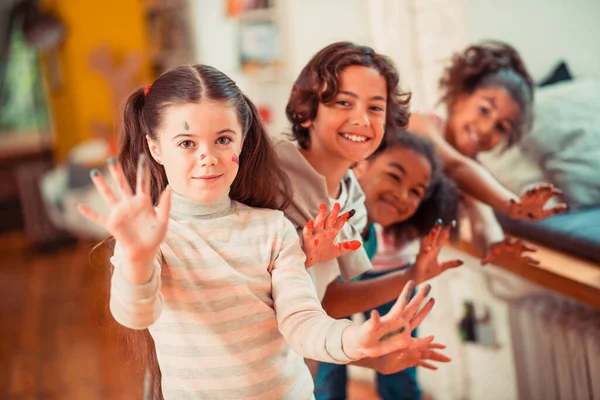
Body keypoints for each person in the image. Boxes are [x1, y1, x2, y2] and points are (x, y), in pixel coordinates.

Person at [77, 64, 436, 399]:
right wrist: (137, 258)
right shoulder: (146, 236)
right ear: (155, 147)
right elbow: (136, 315)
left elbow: (302, 321)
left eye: (223, 139)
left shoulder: (272, 227)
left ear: (243, 141)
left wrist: (356, 339)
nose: (208, 157)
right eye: (187, 143)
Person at [276, 42, 460, 377]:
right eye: (343, 103)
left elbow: (324, 301)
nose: (361, 119)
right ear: (306, 113)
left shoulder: (353, 204)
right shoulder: (270, 175)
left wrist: (411, 276)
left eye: (375, 108)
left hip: (295, 374)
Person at [315, 131, 460, 400]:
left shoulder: (367, 237)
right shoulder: (337, 222)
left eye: (417, 191)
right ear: (360, 165)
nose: (404, 195)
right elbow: (328, 306)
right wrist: (411, 275)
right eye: (394, 176)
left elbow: (331, 310)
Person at [408, 40, 565, 265]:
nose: (485, 128)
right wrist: (514, 206)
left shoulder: (472, 174)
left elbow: (484, 222)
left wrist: (496, 244)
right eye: (484, 110)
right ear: (461, 96)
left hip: (390, 260)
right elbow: (454, 167)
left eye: (501, 127)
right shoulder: (422, 124)